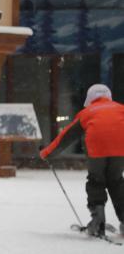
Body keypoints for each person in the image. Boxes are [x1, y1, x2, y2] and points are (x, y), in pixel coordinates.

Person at [40, 84, 124, 236]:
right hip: (120, 147)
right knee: (116, 181)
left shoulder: (87, 112)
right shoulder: (120, 108)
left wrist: (47, 152)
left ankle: (98, 222)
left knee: (96, 181)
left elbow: (66, 136)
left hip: (97, 148)